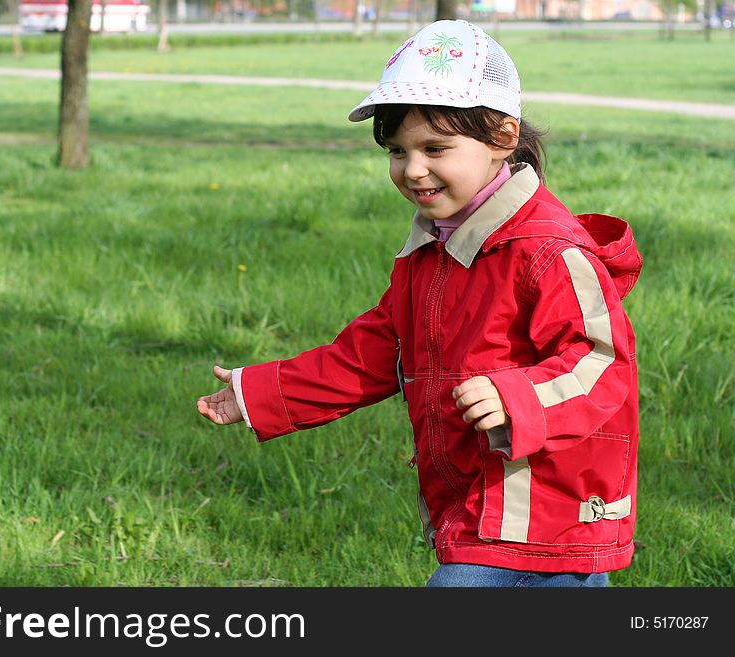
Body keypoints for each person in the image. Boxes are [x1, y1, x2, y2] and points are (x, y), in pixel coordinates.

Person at [196, 19, 642, 587]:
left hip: (541, 505)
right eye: (397, 150)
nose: (413, 169)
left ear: (503, 137)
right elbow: (367, 356)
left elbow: (603, 365)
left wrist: (516, 398)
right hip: (480, 500)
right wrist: (254, 393)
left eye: (436, 148)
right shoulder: (430, 254)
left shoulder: (547, 252)